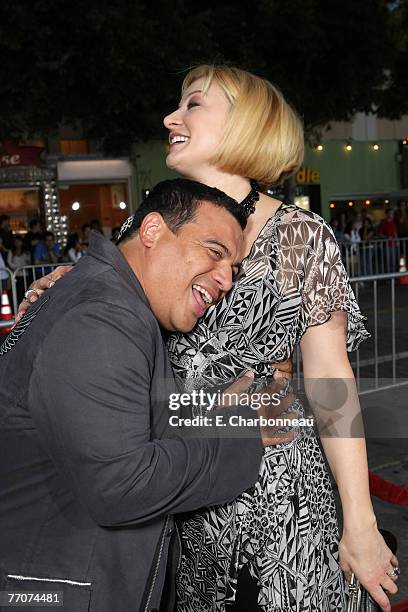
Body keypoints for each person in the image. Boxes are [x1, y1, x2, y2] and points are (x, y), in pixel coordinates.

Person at [18, 65, 399, 611]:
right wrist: (73, 283)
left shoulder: (300, 236)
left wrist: (360, 524)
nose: (172, 116)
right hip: (174, 499)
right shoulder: (149, 222)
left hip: (278, 505)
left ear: (247, 124)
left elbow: (332, 381)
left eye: (193, 104)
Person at [0, 179, 291, 612]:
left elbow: (123, 424)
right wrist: (243, 435)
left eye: (234, 266)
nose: (226, 279)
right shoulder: (103, 314)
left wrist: (216, 410)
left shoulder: (103, 296)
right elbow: (122, 484)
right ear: (152, 231)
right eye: (215, 252)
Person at [6, 235, 31, 304]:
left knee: (25, 292)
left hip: (25, 275)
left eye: (19, 241)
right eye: (15, 242)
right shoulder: (11, 251)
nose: (17, 243)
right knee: (17, 293)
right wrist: (19, 267)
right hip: (16, 275)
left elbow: (29, 262)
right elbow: (9, 262)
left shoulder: (26, 251)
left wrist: (22, 267)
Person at [378, 209, 398, 273]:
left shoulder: (394, 222)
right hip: (386, 246)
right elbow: (379, 234)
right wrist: (386, 237)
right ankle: (388, 276)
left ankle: (394, 275)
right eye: (390, 213)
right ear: (387, 214)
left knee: (394, 261)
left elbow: (395, 233)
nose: (391, 215)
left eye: (392, 213)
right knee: (387, 261)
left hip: (393, 245)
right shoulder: (383, 223)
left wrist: (396, 240)